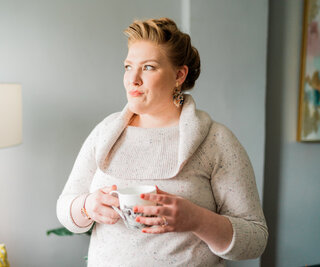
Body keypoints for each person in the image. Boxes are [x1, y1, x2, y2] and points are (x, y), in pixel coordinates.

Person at [56, 17, 268, 266]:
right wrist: (87, 206)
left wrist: (197, 220)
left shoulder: (216, 141)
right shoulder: (105, 132)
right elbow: (65, 206)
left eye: (148, 67)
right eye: (127, 66)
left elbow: (256, 239)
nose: (132, 79)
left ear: (179, 75)